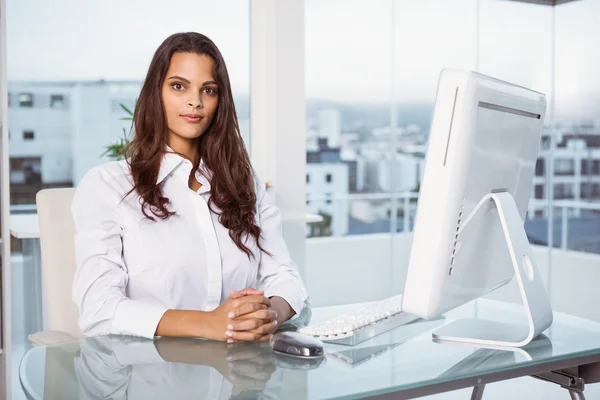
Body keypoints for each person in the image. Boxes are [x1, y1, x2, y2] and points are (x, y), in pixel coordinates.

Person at [71, 32, 308, 343]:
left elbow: (285, 278)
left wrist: (269, 315)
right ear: (155, 92)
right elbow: (99, 308)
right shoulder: (108, 186)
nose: (195, 101)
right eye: (179, 86)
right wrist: (209, 324)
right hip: (149, 376)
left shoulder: (243, 182)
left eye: (208, 90)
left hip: (240, 378)